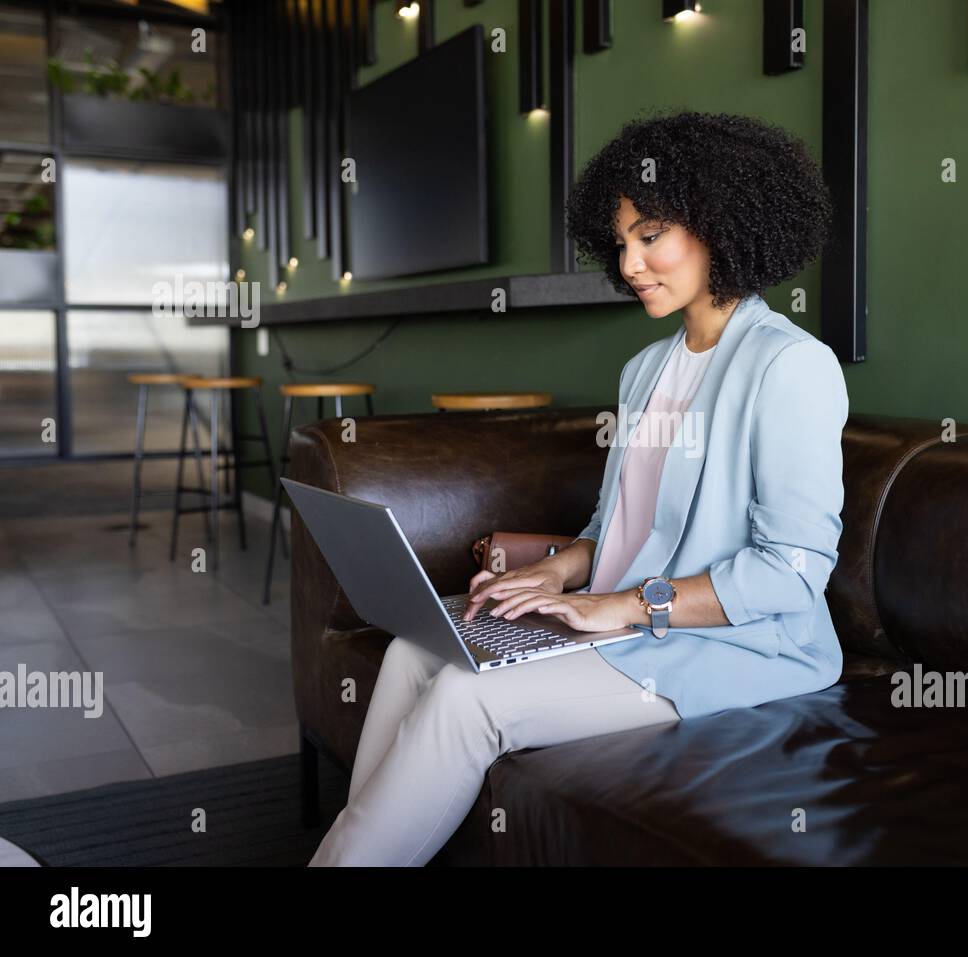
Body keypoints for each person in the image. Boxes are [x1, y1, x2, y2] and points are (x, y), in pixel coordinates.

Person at [309, 109, 849, 866]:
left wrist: (622, 604)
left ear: (720, 223)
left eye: (651, 235)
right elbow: (615, 522)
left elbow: (794, 569)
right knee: (409, 652)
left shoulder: (788, 366)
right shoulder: (644, 371)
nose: (630, 263)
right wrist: (556, 571)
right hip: (628, 624)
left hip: (737, 648)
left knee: (468, 699)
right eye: (622, 241)